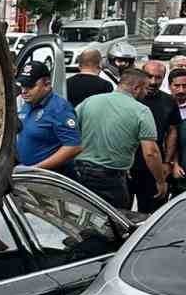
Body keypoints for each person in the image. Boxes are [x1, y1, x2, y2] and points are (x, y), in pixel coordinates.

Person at [75, 68, 166, 211]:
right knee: (116, 224)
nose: (146, 92)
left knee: (85, 218)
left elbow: (70, 133)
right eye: (145, 89)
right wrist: (160, 181)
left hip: (81, 173)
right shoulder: (141, 111)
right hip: (111, 178)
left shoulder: (89, 101)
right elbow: (151, 153)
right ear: (136, 88)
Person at [15, 59, 81, 174]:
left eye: (30, 86)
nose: (24, 91)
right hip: (27, 174)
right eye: (23, 86)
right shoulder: (27, 104)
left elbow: (73, 147)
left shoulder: (59, 109)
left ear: (47, 84)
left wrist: (37, 168)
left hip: (49, 178)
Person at [135, 60, 180, 212]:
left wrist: (167, 162)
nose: (153, 81)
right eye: (149, 76)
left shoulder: (168, 101)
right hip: (125, 166)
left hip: (155, 166)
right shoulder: (130, 98)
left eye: (158, 77)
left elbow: (172, 131)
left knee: (152, 213)